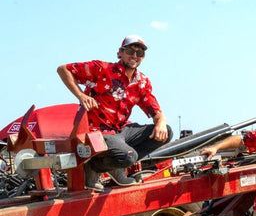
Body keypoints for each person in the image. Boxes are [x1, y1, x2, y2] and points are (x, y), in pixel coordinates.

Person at [57, 35, 172, 191]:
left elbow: (154, 109)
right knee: (128, 156)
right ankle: (93, 167)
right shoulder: (101, 69)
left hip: (120, 130)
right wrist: (81, 95)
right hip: (97, 131)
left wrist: (161, 121)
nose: (134, 56)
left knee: (166, 132)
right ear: (120, 52)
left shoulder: (141, 82)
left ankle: (116, 163)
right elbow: (63, 69)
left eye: (140, 53)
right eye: (131, 50)